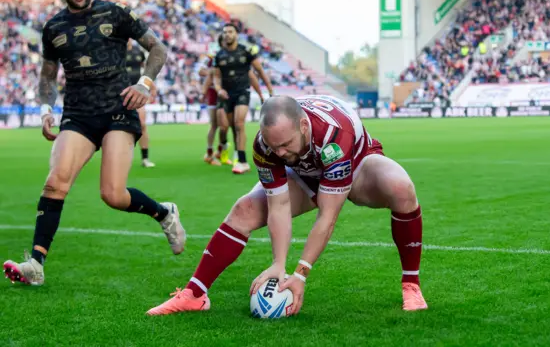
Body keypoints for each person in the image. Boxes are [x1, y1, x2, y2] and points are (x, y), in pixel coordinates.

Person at [146, 95, 427, 316]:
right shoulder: (265, 146)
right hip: (306, 173)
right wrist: (279, 265)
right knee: (244, 209)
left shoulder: (333, 136)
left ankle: (411, 285)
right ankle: (195, 294)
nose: (280, 153)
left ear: (303, 126)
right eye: (274, 146)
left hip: (356, 163)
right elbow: (278, 205)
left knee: (401, 189)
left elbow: (328, 216)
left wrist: (300, 274)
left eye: (286, 144)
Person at [3, 0, 186, 287]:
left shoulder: (114, 13)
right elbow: (47, 77)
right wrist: (46, 108)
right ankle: (36, 264)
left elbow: (157, 48)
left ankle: (164, 212)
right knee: (55, 182)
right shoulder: (54, 27)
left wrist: (145, 83)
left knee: (113, 195)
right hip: (77, 115)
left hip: (118, 109)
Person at [212, 24, 273, 174]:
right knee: (224, 127)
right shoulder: (219, 55)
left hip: (242, 92)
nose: (227, 34)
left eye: (230, 32)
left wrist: (269, 91)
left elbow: (259, 71)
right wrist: (219, 90)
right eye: (225, 32)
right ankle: (224, 146)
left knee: (239, 124)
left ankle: (242, 161)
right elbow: (216, 77)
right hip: (226, 95)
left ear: (236, 35)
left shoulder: (245, 52)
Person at [201, 35, 266, 166]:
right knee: (218, 126)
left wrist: (261, 93)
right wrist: (204, 92)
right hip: (216, 96)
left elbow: (251, 75)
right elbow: (207, 74)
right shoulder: (215, 58)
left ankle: (234, 154)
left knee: (235, 126)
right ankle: (212, 153)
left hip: (233, 94)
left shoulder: (237, 58)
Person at [126, 40, 155, 168]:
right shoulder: (114, 49)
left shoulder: (138, 51)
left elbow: (145, 71)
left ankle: (145, 158)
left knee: (142, 125)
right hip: (118, 92)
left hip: (137, 92)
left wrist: (152, 86)